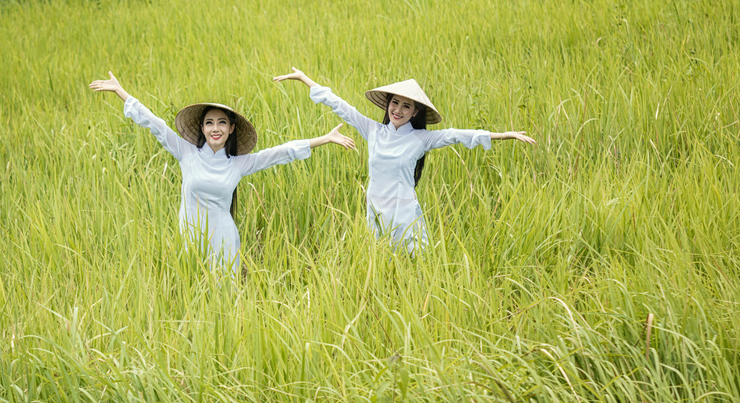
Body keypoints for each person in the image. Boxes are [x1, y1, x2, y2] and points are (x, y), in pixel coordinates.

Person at [90, 71, 355, 272]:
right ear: (202, 129)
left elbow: (279, 152)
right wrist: (122, 92)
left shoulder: (238, 163)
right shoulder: (186, 152)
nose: (215, 128)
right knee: (191, 285)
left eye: (221, 123)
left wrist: (323, 138)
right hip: (189, 235)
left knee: (224, 297)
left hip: (224, 238)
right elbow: (154, 123)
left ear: (231, 129)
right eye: (209, 123)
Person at [273, 67, 536, 254]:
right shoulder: (373, 130)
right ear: (387, 104)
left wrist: (504, 135)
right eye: (394, 103)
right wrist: (305, 79)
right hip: (375, 208)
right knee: (378, 259)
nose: (398, 110)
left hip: (404, 212)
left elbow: (457, 135)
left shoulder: (421, 139)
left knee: (411, 262)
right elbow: (341, 106)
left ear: (416, 112)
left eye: (406, 106)